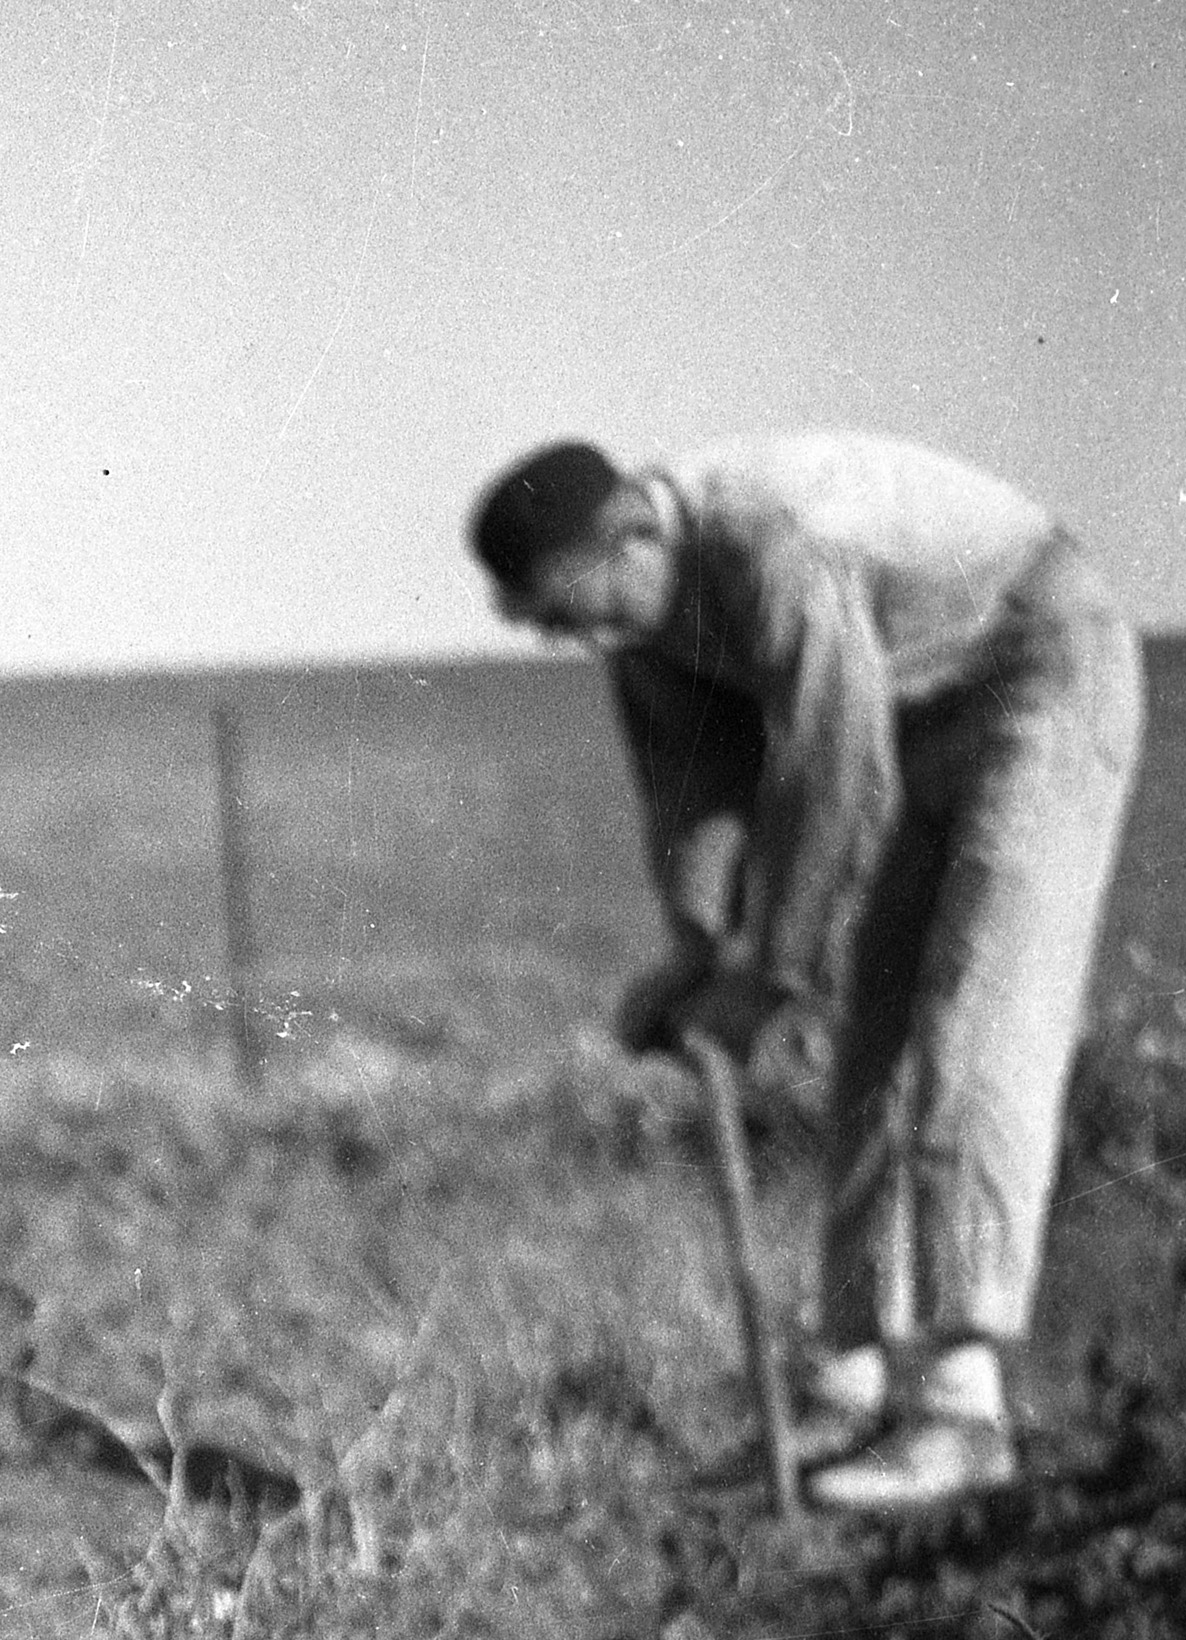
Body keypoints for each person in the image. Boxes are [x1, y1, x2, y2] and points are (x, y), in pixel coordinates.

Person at [467, 431, 1145, 1511]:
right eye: (554, 627)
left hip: (1038, 663)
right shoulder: (638, 621)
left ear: (636, 535)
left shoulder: (768, 541)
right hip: (910, 710)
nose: (582, 639)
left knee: (971, 1028)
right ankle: (851, 1382)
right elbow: (693, 791)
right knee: (871, 1049)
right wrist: (697, 951)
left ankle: (965, 1411)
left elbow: (832, 765)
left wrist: (769, 975)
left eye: (580, 608)